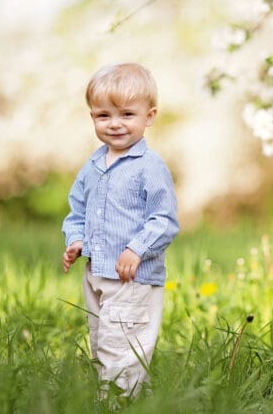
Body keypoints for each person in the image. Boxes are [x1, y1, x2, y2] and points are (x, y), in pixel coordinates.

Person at [61, 62, 179, 397]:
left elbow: (164, 220)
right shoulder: (94, 164)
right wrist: (76, 240)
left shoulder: (149, 167)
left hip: (133, 276)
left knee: (122, 343)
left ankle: (116, 402)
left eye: (127, 114)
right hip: (96, 272)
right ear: (92, 117)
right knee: (101, 340)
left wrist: (136, 248)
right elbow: (77, 211)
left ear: (149, 116)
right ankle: (131, 397)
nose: (115, 124)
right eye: (104, 115)